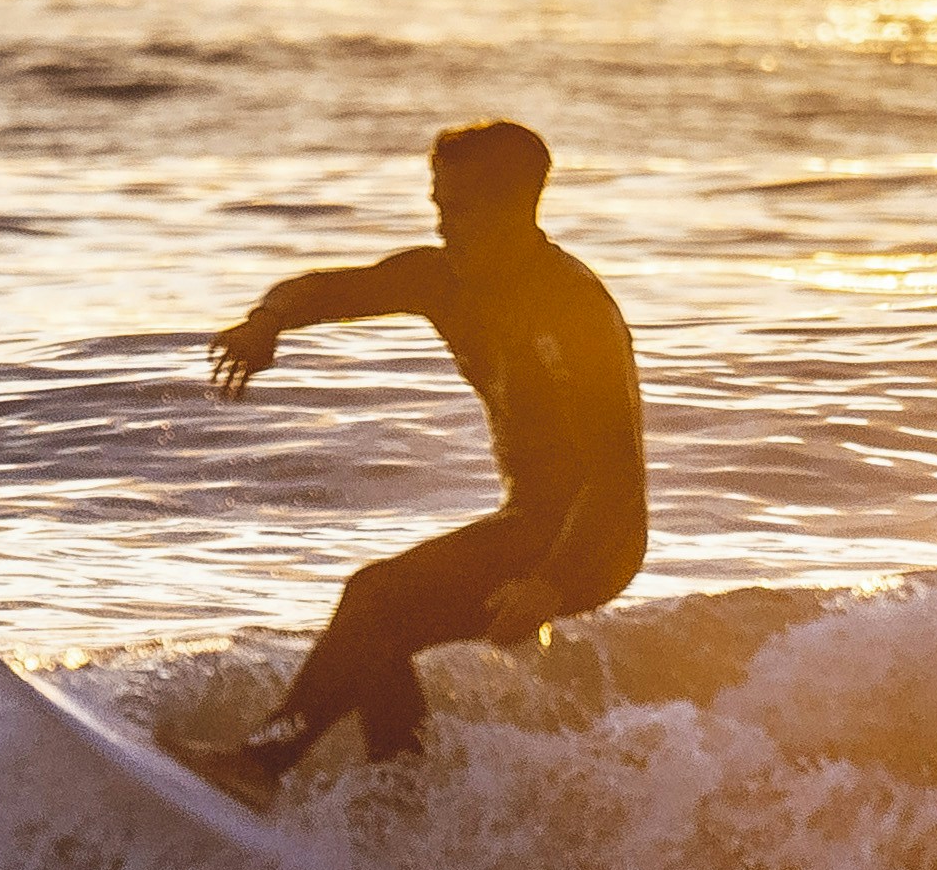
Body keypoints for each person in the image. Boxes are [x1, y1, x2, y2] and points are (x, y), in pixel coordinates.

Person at [173, 117, 647, 805]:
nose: (442, 225)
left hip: (594, 537)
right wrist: (265, 319)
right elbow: (334, 289)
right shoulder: (442, 281)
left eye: (458, 209)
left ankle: (262, 763)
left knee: (375, 595)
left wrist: (549, 582)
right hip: (527, 523)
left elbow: (613, 475)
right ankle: (405, 798)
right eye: (436, 206)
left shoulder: (574, 309)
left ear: (516, 207)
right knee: (379, 631)